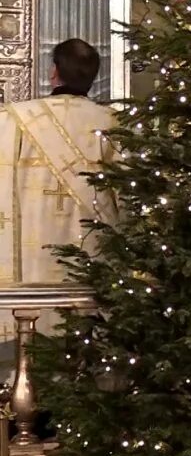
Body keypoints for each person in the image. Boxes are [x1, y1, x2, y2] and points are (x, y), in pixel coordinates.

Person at [0, 38, 116, 285]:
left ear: (54, 71)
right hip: (92, 254)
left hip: (31, 261)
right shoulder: (114, 124)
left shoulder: (13, 120)